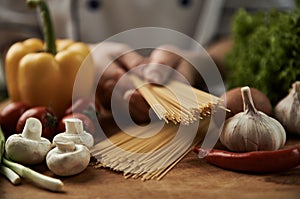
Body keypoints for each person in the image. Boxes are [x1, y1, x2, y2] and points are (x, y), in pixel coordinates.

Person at [0, 0, 296, 122]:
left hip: (192, 122)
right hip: (88, 118)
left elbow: (264, 24)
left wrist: (205, 62)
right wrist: (76, 61)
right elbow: (9, 36)